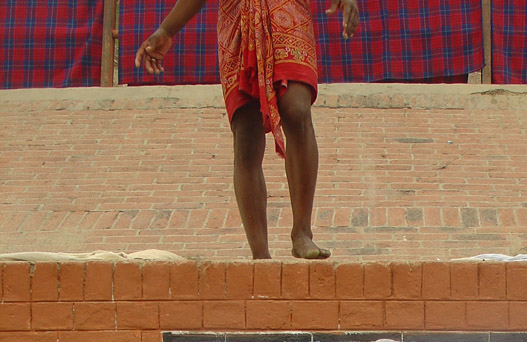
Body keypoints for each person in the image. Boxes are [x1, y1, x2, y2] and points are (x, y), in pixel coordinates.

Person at [134, 0, 359, 259]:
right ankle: (260, 256)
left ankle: (302, 232)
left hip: (289, 9)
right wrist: (166, 30)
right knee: (246, 138)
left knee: (297, 110)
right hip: (237, 19)